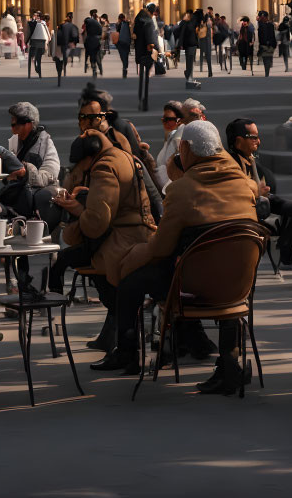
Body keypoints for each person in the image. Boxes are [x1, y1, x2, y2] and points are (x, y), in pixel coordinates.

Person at [93, 120, 258, 391]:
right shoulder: (244, 184)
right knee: (225, 267)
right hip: (240, 287)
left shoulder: (182, 191)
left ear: (185, 148)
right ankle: (229, 363)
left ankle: (127, 352)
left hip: (198, 287)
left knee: (133, 281)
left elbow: (160, 249)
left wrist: (131, 256)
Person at [51, 125, 156, 353]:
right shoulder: (123, 156)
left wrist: (78, 209)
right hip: (140, 235)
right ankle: (116, 340)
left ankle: (123, 348)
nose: (79, 167)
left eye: (80, 162)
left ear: (89, 157)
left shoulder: (104, 167)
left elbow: (97, 221)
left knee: (84, 263)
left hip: (123, 241)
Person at [225, 117, 292, 266]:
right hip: (246, 208)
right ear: (238, 141)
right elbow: (234, 190)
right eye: (253, 137)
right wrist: (257, 192)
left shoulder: (250, 157)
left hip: (263, 200)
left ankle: (286, 248)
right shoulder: (229, 163)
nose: (258, 141)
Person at [0, 101, 60, 219]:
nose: (12, 130)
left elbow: (49, 176)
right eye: (11, 125)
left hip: (38, 200)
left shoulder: (45, 144)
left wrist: (26, 172)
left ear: (29, 124)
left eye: (15, 125)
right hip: (20, 196)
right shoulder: (17, 142)